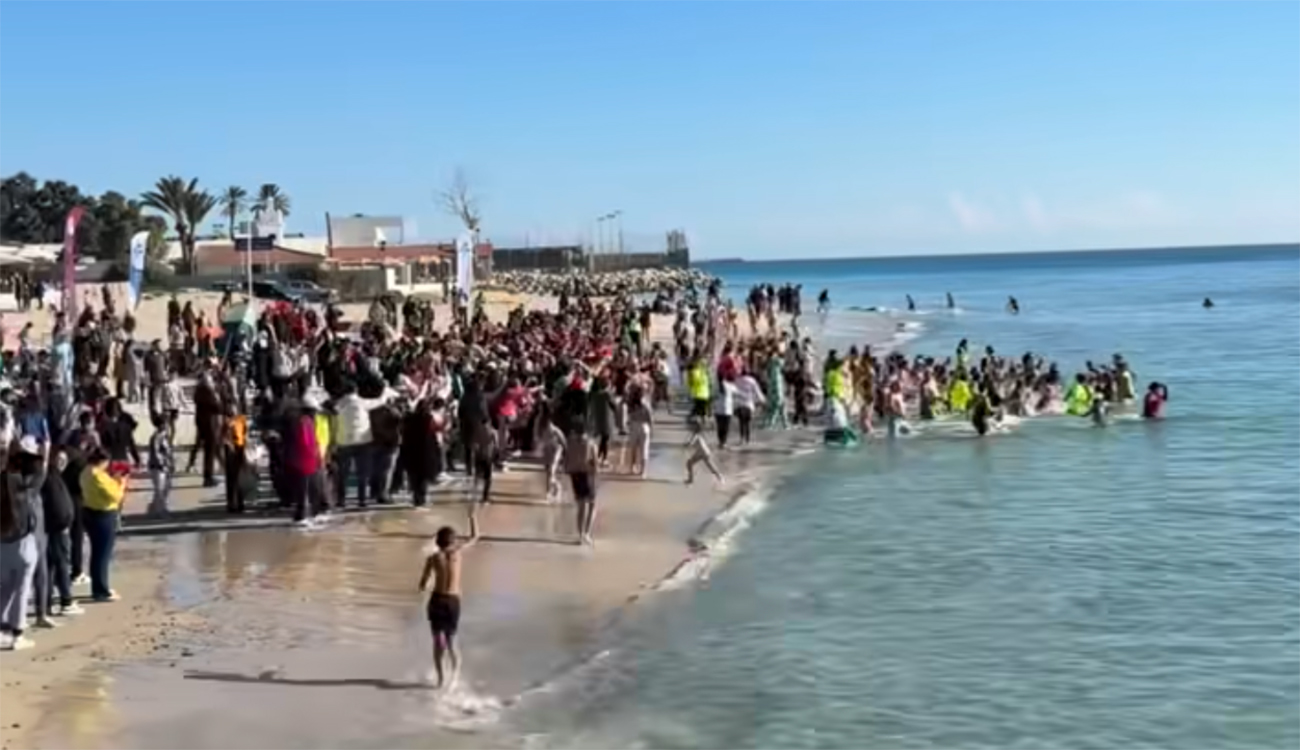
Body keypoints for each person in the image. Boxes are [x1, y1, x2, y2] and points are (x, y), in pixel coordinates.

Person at [417, 508, 479, 690]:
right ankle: (455, 677)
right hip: (452, 602)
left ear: (438, 542)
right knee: (452, 641)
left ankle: (440, 679)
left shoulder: (433, 558)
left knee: (438, 641)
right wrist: (472, 516)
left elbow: (422, 584)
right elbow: (475, 537)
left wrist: (424, 587)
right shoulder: (457, 553)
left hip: (436, 601)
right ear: (453, 542)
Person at [1, 437, 48, 649]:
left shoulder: (4, 478)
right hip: (23, 539)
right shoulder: (27, 485)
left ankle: (2, 630)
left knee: (5, 587)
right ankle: (17, 633)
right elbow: (39, 474)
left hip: (2, 541)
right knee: (22, 587)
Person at [80, 448, 129, 602]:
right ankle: (101, 590)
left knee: (97, 553)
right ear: (103, 461)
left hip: (90, 511)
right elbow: (116, 496)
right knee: (102, 554)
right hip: (103, 515)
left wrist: (114, 480)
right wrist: (121, 483)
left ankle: (100, 586)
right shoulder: (98, 475)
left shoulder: (86, 472)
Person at [41, 447, 80, 617]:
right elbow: (56, 506)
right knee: (61, 564)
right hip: (55, 529)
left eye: (64, 460)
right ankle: (66, 601)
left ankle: (47, 604)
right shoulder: (50, 477)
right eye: (58, 459)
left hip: (54, 528)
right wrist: (62, 524)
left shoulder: (55, 475)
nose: (61, 463)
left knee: (50, 567)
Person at [565, 423, 599, 545]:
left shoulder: (571, 442)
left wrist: (568, 470)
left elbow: (567, 460)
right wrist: (596, 475)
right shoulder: (590, 443)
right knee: (592, 504)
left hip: (575, 474)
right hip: (587, 474)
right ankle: (587, 533)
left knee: (580, 506)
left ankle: (580, 534)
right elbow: (595, 462)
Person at [146, 413, 174, 516]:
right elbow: (155, 452)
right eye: (166, 423)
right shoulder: (156, 437)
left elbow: (169, 451)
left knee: (166, 487)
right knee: (160, 489)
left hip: (165, 465)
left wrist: (171, 462)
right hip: (157, 466)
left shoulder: (165, 436)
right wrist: (161, 463)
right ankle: (160, 510)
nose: (167, 425)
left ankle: (153, 507)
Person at [684, 418, 724, 487]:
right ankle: (720, 477)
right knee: (690, 463)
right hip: (702, 452)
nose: (689, 426)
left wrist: (687, 445)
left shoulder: (695, 435)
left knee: (709, 467)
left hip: (704, 453)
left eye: (691, 425)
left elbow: (691, 443)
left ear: (695, 426)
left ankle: (691, 480)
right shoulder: (699, 434)